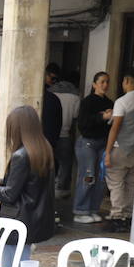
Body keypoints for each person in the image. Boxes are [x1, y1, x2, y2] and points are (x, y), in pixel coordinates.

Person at [0, 104, 56, 250]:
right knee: (22, 262)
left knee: (10, 266)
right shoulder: (44, 148)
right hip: (34, 219)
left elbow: (10, 194)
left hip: (18, 220)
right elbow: (31, 179)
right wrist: (2, 181)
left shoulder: (21, 155)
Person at [106, 67, 134, 232]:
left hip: (120, 147)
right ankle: (129, 216)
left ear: (127, 81)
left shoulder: (122, 102)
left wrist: (107, 152)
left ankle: (117, 216)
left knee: (116, 183)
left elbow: (115, 128)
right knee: (131, 183)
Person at [73, 71, 114, 224]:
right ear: (94, 84)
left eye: (107, 82)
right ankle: (80, 210)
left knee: (101, 178)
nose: (105, 85)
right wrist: (101, 117)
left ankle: (93, 209)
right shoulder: (87, 101)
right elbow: (82, 123)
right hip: (87, 143)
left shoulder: (110, 102)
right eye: (102, 82)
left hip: (103, 143)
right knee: (88, 176)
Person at [49, 67, 82, 197]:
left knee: (48, 163)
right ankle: (60, 188)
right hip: (65, 134)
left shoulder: (50, 93)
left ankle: (48, 187)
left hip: (49, 134)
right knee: (65, 163)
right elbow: (75, 117)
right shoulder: (75, 96)